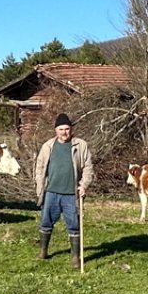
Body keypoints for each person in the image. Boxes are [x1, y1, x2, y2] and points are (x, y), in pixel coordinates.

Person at [34, 112, 94, 267]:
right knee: (46, 222)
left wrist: (83, 185)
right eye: (61, 129)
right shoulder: (47, 146)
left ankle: (75, 257)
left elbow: (88, 167)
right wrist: (40, 187)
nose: (64, 132)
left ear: (71, 129)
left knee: (74, 224)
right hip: (51, 192)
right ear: (56, 130)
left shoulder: (80, 145)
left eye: (67, 129)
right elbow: (39, 167)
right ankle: (43, 251)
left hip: (71, 194)